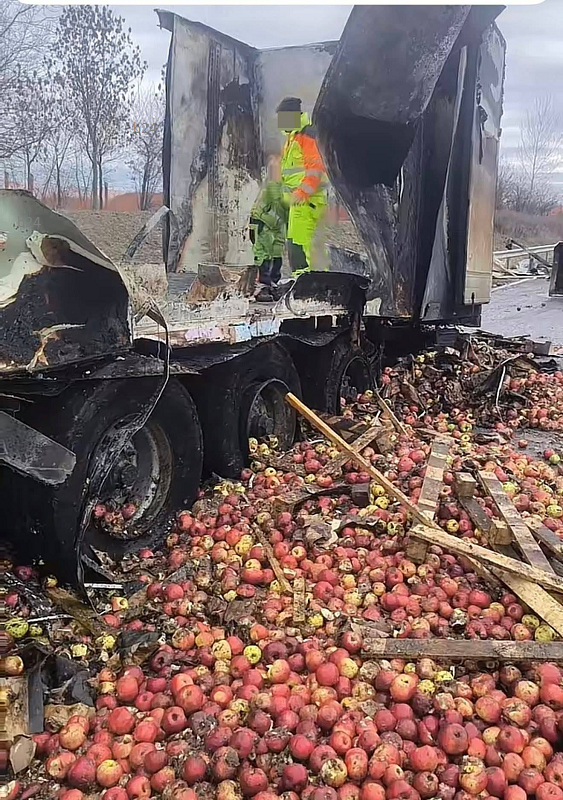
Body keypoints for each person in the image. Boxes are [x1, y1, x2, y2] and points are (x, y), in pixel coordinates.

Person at [276, 96, 329, 275]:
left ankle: (308, 282)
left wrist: (302, 193)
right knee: (298, 245)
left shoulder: (306, 135)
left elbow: (316, 168)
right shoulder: (293, 137)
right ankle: (304, 280)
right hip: (300, 202)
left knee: (301, 245)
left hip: (306, 201)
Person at [249, 179, 287, 301]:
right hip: (263, 221)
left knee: (277, 252)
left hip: (276, 222)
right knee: (263, 252)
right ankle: (262, 285)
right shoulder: (275, 186)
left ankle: (272, 284)